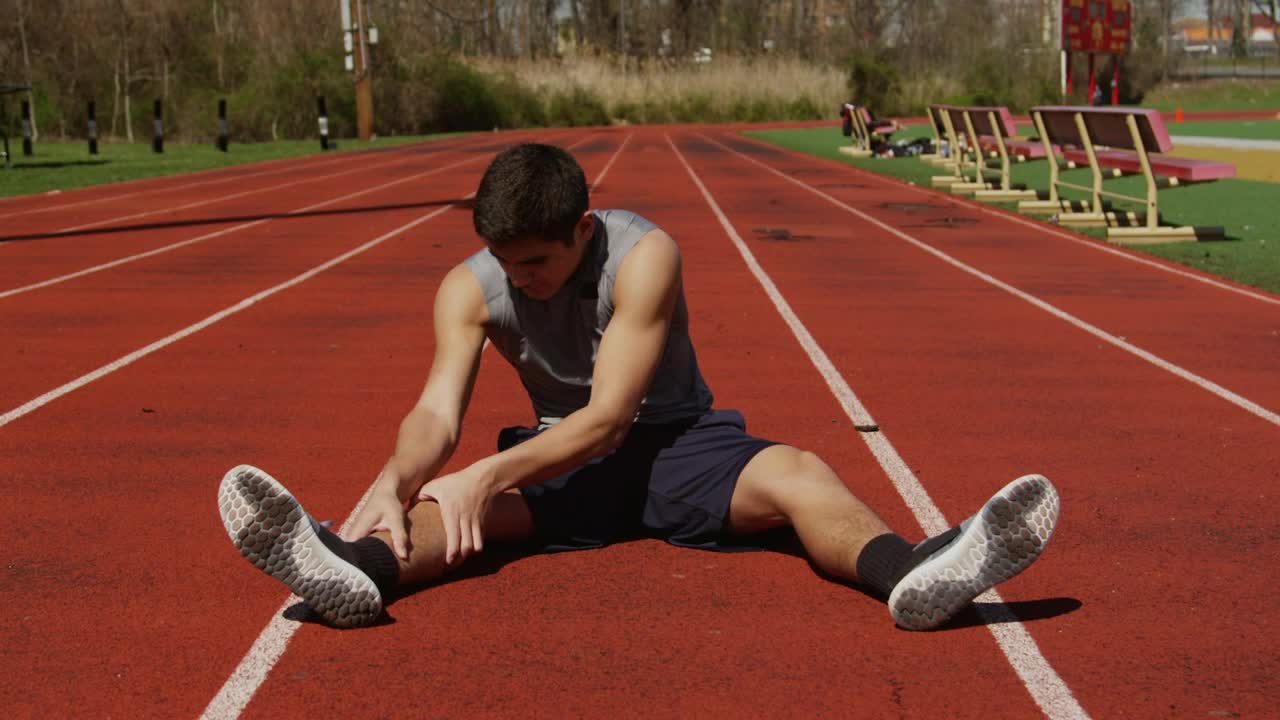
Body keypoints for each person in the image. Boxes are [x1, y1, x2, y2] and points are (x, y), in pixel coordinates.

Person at [218, 143, 1059, 631]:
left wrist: (487, 470)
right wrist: (399, 484)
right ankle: (355, 570)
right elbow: (436, 413)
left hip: (678, 443)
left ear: (582, 230)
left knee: (801, 473)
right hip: (560, 459)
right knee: (446, 510)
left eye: (538, 264)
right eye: (507, 264)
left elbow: (614, 415)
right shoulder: (470, 288)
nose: (522, 281)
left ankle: (907, 571)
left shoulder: (644, 254)